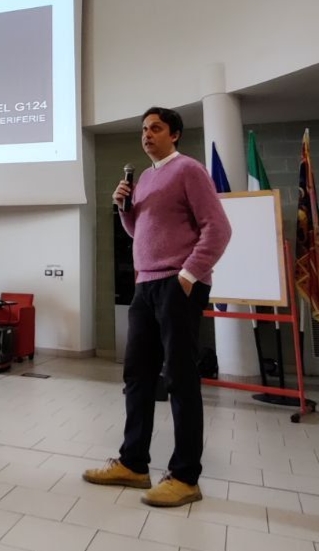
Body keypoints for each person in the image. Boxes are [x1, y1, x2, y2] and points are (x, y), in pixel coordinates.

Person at [83, 106, 232, 508]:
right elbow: (140, 232)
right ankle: (133, 464)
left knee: (180, 378)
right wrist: (124, 209)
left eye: (156, 128)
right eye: (144, 129)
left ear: (175, 134)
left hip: (177, 284)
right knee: (137, 376)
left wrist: (188, 274)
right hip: (145, 284)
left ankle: (185, 477)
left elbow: (219, 228)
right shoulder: (145, 179)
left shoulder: (188, 170)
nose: (147, 135)